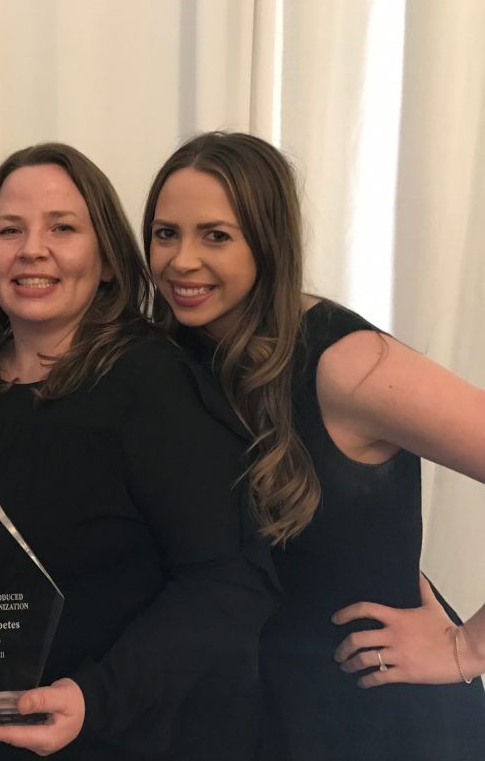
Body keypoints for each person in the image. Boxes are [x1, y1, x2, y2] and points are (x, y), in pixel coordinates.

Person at [0, 143, 277, 760]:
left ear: (107, 258)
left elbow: (230, 582)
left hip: (128, 737)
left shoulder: (152, 383)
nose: (33, 248)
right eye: (10, 230)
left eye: (63, 228)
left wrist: (94, 698)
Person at [142, 131, 485, 760]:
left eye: (215, 235)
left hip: (375, 717)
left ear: (267, 243)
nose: (181, 261)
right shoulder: (179, 355)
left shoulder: (347, 363)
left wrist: (469, 646)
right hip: (259, 715)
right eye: (166, 234)